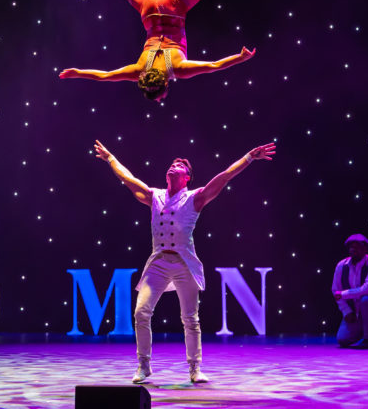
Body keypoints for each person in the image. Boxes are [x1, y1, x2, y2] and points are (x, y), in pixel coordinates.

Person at [93, 139, 276, 383]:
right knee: (141, 312)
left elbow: (224, 177)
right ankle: (144, 365)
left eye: (179, 165)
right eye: (172, 163)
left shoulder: (194, 198)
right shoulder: (154, 196)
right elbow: (128, 179)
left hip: (184, 263)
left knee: (190, 318)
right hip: (158, 261)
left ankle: (194, 368)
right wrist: (110, 158)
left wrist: (249, 157)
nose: (173, 165)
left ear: (187, 177)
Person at [59, 0, 281, 101]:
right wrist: (77, 73)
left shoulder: (178, 70)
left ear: (165, 83)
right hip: (151, 9)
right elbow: (105, 76)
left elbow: (214, 65)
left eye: (161, 96)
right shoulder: (138, 71)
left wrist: (240, 58)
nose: (163, 98)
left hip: (175, 7)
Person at [332, 234, 368, 349]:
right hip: (355, 310)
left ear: (365, 249)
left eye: (357, 246)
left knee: (366, 300)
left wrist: (344, 294)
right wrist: (346, 311)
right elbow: (335, 290)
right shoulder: (341, 265)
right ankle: (363, 327)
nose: (353, 249)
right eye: (351, 247)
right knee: (343, 339)